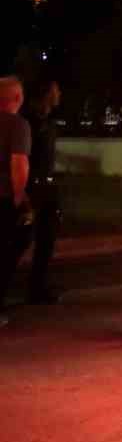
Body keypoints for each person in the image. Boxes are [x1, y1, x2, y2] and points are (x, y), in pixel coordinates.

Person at [20, 78, 62, 304]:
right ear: (46, 94)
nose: (59, 94)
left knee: (47, 240)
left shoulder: (50, 123)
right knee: (20, 238)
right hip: (31, 187)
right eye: (56, 90)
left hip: (47, 187)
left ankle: (38, 287)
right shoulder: (28, 122)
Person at [0, 75, 31, 327]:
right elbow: (18, 163)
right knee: (11, 246)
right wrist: (19, 197)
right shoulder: (17, 125)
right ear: (17, 98)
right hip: (3, 198)